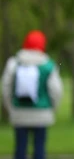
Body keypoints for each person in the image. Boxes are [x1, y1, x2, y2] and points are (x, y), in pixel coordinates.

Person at [1, 30, 63, 159]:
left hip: (19, 112)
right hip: (41, 113)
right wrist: (52, 108)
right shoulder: (48, 65)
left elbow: (6, 87)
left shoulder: (14, 63)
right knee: (39, 147)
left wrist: (10, 107)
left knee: (20, 147)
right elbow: (56, 90)